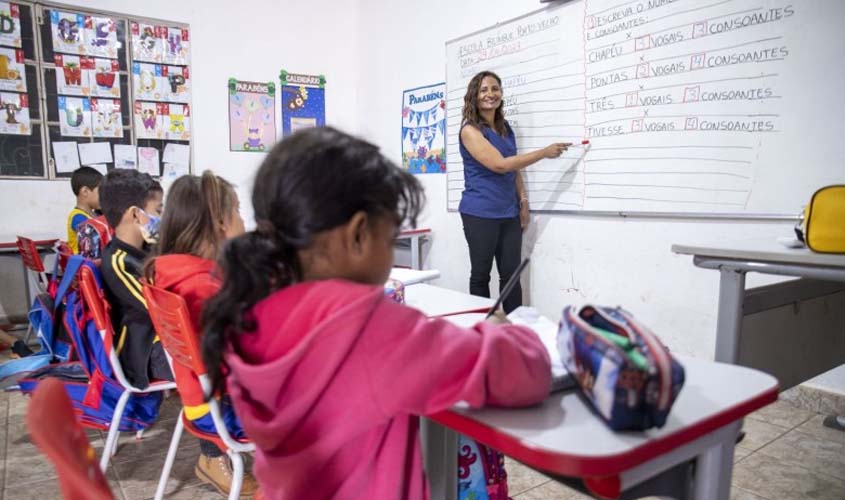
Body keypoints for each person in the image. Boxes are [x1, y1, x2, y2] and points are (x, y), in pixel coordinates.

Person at [201, 127, 552, 500]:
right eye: (391, 238)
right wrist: (500, 329)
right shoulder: (370, 331)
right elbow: (522, 373)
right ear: (358, 234)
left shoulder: (249, 311)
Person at [145, 171, 258, 497]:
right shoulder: (202, 288)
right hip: (225, 410)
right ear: (221, 222)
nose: (242, 219)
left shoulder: (170, 271)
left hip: (198, 402)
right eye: (237, 210)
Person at [458, 70, 570, 313]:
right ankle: (485, 330)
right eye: (484, 90)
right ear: (474, 96)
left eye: (495, 89)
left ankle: (513, 329)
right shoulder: (470, 131)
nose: (490, 94)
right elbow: (500, 165)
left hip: (508, 212)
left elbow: (514, 167)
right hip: (480, 213)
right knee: (481, 275)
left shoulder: (505, 127)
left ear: (501, 93)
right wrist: (543, 153)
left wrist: (523, 201)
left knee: (511, 276)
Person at [98, 169, 170, 388]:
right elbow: (160, 310)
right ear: (136, 214)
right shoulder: (119, 262)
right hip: (147, 350)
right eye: (159, 210)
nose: (163, 217)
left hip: (164, 340)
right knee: (224, 361)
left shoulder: (148, 249)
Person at [67, 166, 103, 254]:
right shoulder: (78, 217)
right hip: (83, 265)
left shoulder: (94, 214)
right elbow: (94, 240)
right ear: (85, 191)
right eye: (101, 192)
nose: (104, 196)